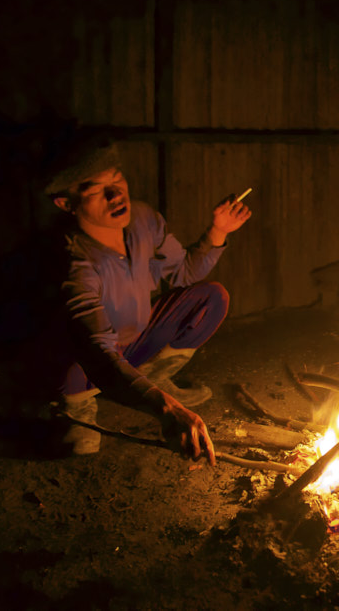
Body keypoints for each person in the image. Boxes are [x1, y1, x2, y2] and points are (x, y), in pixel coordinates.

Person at [44, 135, 251, 464]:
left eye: (116, 178)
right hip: (89, 363)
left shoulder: (142, 220)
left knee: (211, 297)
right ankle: (79, 409)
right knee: (78, 381)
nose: (115, 195)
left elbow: (183, 273)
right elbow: (98, 353)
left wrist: (218, 232)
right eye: (94, 189)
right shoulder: (75, 265)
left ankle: (153, 379)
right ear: (66, 203)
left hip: (135, 338)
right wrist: (168, 409)